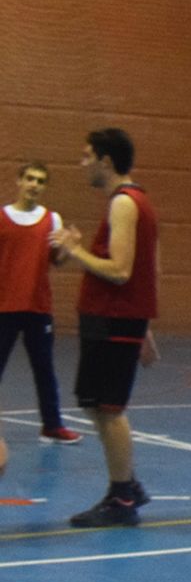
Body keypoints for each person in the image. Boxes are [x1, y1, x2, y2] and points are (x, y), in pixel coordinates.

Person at [49, 128, 159, 527]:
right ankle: (126, 483)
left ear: (106, 161)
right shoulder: (128, 203)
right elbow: (149, 269)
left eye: (86, 156)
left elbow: (121, 269)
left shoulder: (126, 204)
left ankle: (122, 498)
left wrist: (76, 250)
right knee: (98, 407)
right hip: (110, 320)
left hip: (115, 320)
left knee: (110, 410)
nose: (83, 164)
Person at [0, 162, 81, 445]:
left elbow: (56, 260)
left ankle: (52, 425)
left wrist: (70, 249)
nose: (35, 185)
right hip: (4, 308)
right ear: (19, 181)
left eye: (41, 181)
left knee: (44, 369)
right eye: (30, 179)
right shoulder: (2, 217)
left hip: (38, 307)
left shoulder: (52, 220)